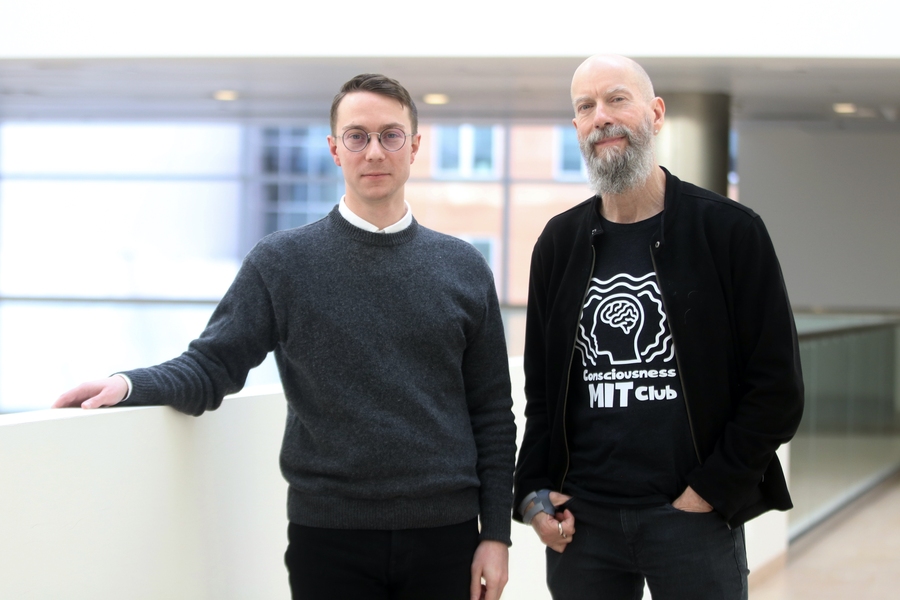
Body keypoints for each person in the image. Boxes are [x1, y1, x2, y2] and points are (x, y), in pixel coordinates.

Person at [55, 73, 516, 600]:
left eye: (390, 135)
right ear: (334, 149)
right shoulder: (282, 262)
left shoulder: (463, 266)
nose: (374, 151)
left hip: (447, 537)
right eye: (356, 136)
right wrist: (129, 385)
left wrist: (496, 535)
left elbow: (492, 415)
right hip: (329, 538)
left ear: (413, 146)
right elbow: (212, 366)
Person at [513, 54, 804, 599]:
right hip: (584, 527)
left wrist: (711, 491)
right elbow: (543, 395)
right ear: (576, 126)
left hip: (692, 520)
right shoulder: (558, 244)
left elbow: (777, 389)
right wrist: (533, 493)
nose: (601, 116)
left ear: (656, 112)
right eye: (585, 106)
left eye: (617, 98)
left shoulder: (729, 232)